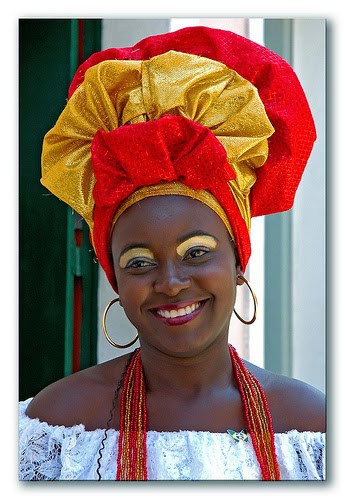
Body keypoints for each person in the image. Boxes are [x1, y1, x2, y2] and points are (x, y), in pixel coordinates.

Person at [19, 26, 325, 481]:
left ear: (239, 262)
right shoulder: (53, 429)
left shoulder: (315, 430)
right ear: (115, 281)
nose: (171, 281)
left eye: (197, 252)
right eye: (138, 262)